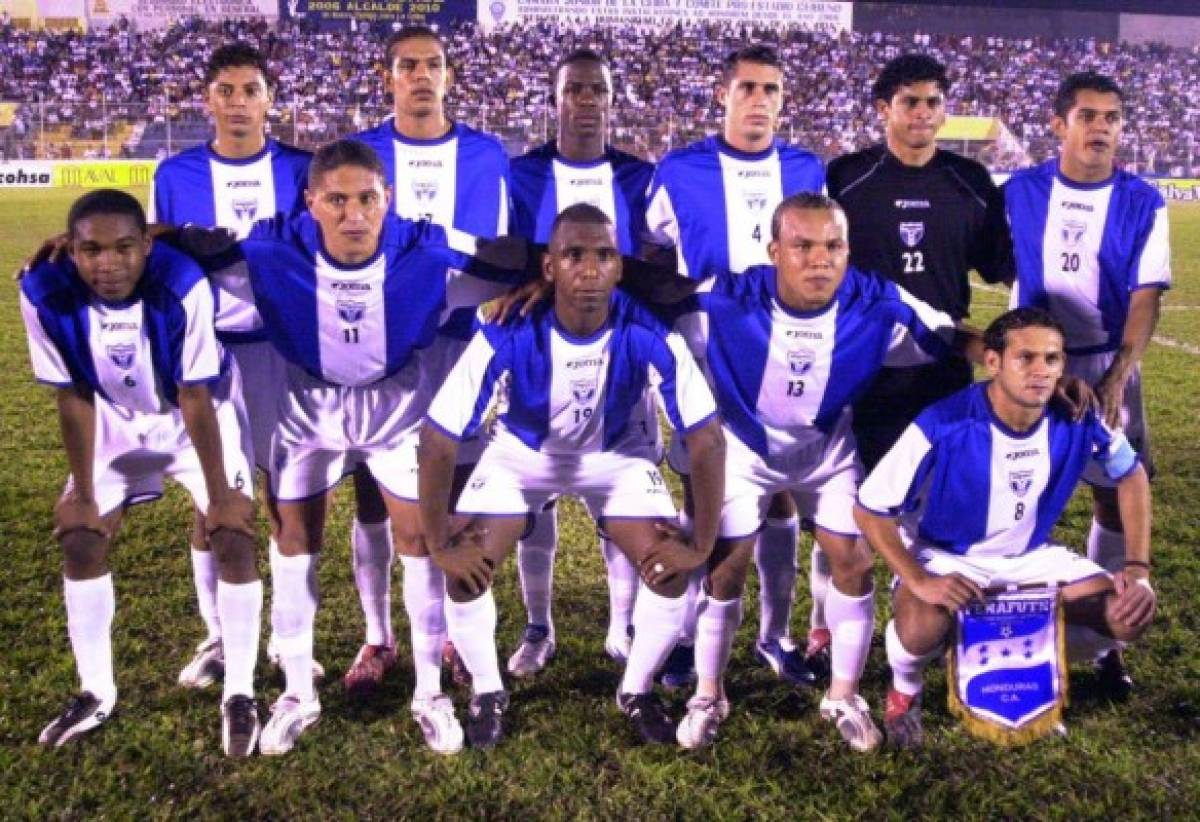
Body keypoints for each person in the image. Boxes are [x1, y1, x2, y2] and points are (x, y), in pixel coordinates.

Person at [177, 140, 532, 756]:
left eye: (367, 199)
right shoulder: (267, 247)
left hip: (395, 409)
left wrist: (550, 276)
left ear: (386, 199)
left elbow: (509, 257)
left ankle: (429, 692)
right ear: (310, 201)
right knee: (293, 543)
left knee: (421, 542)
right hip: (307, 409)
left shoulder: (425, 244)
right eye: (336, 200)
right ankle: (296, 691)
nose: (353, 215)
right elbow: (182, 253)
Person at [629, 193, 973, 751]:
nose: (820, 259)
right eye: (803, 246)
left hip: (825, 450)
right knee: (725, 571)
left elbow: (949, 338)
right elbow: (640, 296)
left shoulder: (877, 302)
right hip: (742, 450)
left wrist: (1018, 355)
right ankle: (708, 694)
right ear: (774, 251)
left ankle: (843, 695)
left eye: (833, 246)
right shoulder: (725, 300)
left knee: (854, 562)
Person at [418, 204, 725, 748]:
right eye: (573, 255)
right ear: (549, 267)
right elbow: (439, 436)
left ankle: (636, 690)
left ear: (619, 267)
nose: (589, 269)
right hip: (523, 455)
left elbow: (705, 436)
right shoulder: (507, 327)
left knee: (669, 567)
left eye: (604, 255)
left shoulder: (646, 328)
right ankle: (488, 691)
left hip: (615, 453)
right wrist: (440, 540)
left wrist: (700, 540)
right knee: (464, 567)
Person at [21, 190, 263, 757]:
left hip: (195, 416)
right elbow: (74, 393)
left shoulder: (181, 283)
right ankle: (95, 690)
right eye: (91, 250)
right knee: (81, 539)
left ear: (147, 246)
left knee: (232, 536)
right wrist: (82, 492)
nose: (108, 264)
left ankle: (241, 691)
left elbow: (196, 392)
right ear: (70, 250)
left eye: (124, 248)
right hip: (113, 417)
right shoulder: (41, 290)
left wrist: (222, 495)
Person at [855, 307, 1155, 748]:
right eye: (1026, 358)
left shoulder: (1077, 416)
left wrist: (1138, 568)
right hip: (951, 556)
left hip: (1031, 559)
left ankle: (1035, 673)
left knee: (1126, 615)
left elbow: (1132, 476)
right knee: (922, 624)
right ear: (993, 362)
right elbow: (870, 509)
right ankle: (906, 689)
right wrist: (921, 580)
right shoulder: (945, 421)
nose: (1041, 371)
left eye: (1052, 360)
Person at [644, 44, 826, 689]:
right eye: (747, 87)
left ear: (783, 98)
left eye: (771, 89)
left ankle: (775, 638)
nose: (759, 99)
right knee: (706, 502)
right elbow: (653, 254)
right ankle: (692, 636)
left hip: (787, 357)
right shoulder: (680, 170)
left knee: (780, 499)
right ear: (722, 95)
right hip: (707, 364)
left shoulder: (806, 168)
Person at [147, 41, 321, 693]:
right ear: (208, 99)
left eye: (251, 89)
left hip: (282, 352)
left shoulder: (304, 169)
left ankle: (283, 639)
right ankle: (219, 636)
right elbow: (158, 259)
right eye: (226, 89)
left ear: (270, 99)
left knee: (287, 496)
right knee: (213, 497)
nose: (238, 102)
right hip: (207, 355)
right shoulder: (176, 173)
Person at [351, 25, 513, 689]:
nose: (421, 76)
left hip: (459, 347)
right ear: (387, 77)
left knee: (454, 498)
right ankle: (377, 636)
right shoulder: (360, 152)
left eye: (433, 65)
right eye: (408, 66)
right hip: (377, 354)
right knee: (371, 501)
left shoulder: (486, 154)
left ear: (449, 76)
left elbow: (501, 253)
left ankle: (447, 636)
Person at [1004, 71, 1171, 695]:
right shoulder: (1021, 190)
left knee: (1115, 497)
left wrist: (1117, 380)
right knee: (1015, 492)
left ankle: (1103, 643)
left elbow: (1146, 298)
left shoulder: (1141, 201)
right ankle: (1007, 629)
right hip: (1032, 363)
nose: (1101, 128)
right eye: (1089, 116)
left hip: (1106, 361)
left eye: (1112, 118)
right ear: (1060, 124)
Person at [504, 48, 657, 676]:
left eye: (598, 89)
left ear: (612, 100)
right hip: (540, 359)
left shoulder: (640, 178)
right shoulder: (522, 175)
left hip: (621, 357)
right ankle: (539, 628)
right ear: (556, 99)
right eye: (575, 90)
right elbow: (511, 261)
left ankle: (621, 628)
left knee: (615, 492)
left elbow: (654, 265)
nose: (587, 100)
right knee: (534, 501)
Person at [827, 53, 1012, 472]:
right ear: (883, 109)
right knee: (860, 491)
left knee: (938, 486)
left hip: (945, 358)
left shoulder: (971, 180)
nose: (923, 113)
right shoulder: (846, 178)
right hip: (865, 359)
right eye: (911, 102)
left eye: (933, 102)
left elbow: (999, 262)